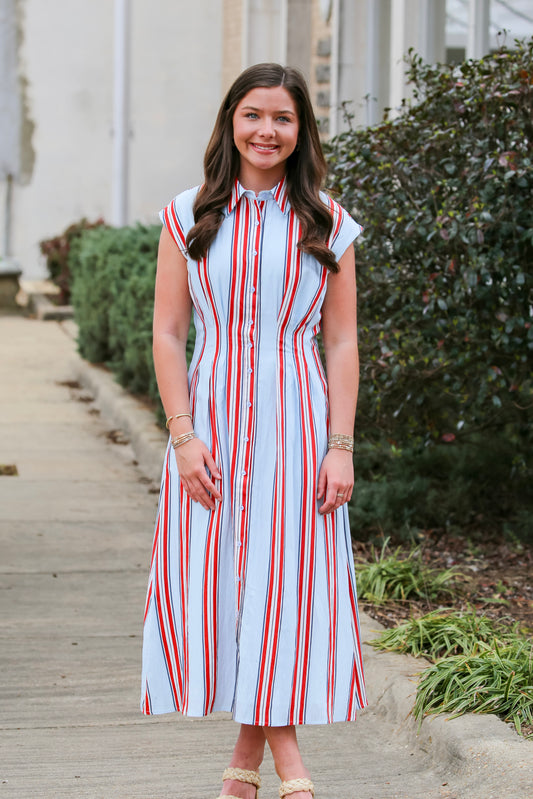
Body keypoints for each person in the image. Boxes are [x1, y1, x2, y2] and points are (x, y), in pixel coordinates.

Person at [141, 62, 367, 799]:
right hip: (207, 421)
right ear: (230, 123)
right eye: (253, 115)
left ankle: (268, 767)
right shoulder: (187, 214)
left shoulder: (328, 222)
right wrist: (182, 435)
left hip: (295, 422)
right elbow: (169, 333)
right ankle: (267, 766)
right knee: (226, 583)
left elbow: (341, 342)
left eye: (283, 118)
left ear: (301, 131)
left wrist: (340, 445)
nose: (266, 130)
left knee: (279, 586)